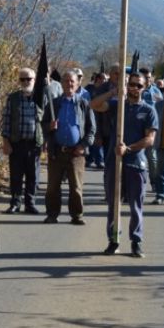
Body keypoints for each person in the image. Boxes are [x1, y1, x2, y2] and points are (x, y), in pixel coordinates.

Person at [91, 72, 158, 258]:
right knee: (114, 204)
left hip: (136, 163)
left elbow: (150, 139)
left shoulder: (148, 110)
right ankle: (113, 240)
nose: (134, 88)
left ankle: (136, 241)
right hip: (114, 162)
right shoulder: (117, 106)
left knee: (136, 205)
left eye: (138, 85)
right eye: (131, 84)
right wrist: (113, 92)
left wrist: (128, 149)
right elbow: (94, 104)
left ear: (144, 88)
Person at [42, 70, 96, 225]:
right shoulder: (54, 104)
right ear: (62, 84)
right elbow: (43, 125)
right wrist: (49, 126)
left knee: (76, 188)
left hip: (76, 153)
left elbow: (92, 129)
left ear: (78, 83)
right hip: (57, 151)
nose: (69, 84)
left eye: (72, 81)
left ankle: (77, 215)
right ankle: (52, 214)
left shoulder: (84, 104)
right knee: (52, 188)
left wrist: (83, 145)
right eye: (66, 81)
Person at [1, 67, 43, 215]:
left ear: (34, 80)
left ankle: (30, 203)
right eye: (22, 79)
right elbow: (6, 120)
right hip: (16, 143)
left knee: (33, 176)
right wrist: (5, 141)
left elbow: (47, 120)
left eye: (29, 79)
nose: (25, 82)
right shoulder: (13, 98)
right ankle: (15, 203)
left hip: (34, 144)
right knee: (16, 176)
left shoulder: (41, 98)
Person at [139, 68, 163, 191]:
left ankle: (154, 182)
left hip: (151, 128)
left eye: (149, 77)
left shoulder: (156, 91)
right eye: (145, 77)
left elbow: (161, 107)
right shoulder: (136, 90)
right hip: (137, 128)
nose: (147, 80)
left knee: (152, 158)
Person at [86, 72, 108, 169]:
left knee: (99, 138)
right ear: (98, 79)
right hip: (91, 115)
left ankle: (100, 160)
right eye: (104, 78)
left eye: (106, 79)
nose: (105, 81)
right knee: (92, 136)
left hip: (102, 116)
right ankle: (90, 158)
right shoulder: (89, 89)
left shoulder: (105, 89)